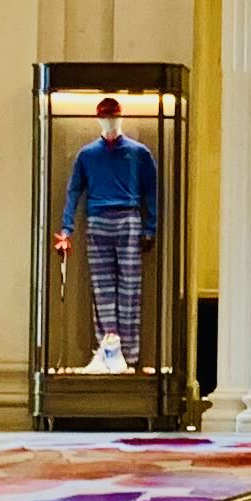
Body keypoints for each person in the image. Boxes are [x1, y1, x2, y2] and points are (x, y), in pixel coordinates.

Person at [54, 97, 159, 372]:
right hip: (98, 220)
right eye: (105, 117)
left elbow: (152, 191)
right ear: (99, 119)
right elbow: (74, 191)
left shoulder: (139, 153)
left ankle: (129, 354)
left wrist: (150, 227)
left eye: (113, 116)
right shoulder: (87, 155)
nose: (110, 122)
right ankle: (108, 350)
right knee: (102, 288)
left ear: (120, 117)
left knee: (130, 288)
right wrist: (66, 229)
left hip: (128, 218)